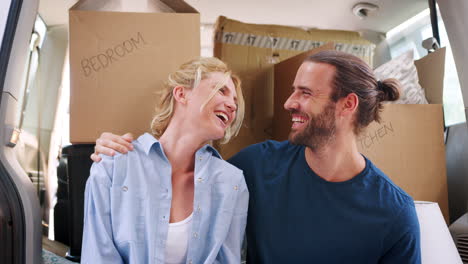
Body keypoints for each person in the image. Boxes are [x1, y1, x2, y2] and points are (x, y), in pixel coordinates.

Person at [92, 51, 421, 263]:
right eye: (293, 90)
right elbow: (179, 165)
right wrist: (113, 150)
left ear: (347, 105)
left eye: (305, 93)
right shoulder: (254, 167)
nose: (288, 103)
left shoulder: (395, 214)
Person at [81, 57, 249, 264]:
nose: (232, 105)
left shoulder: (232, 183)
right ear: (181, 94)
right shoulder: (113, 166)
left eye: (235, 100)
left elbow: (227, 260)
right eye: (221, 90)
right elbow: (98, 256)